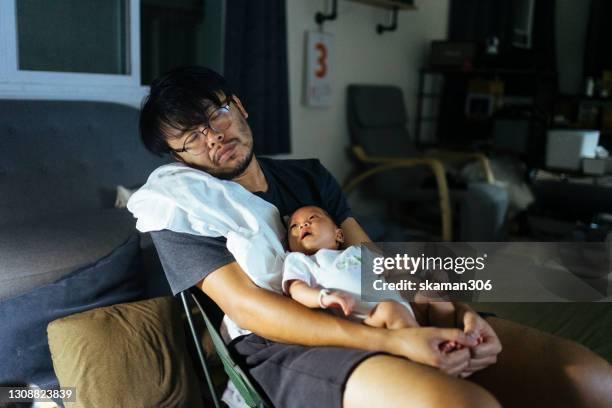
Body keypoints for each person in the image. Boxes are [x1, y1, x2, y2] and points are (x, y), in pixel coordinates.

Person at [139, 66, 612, 408]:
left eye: (215, 116)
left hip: (384, 305)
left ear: (238, 105)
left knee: (589, 380)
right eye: (191, 137)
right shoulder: (183, 208)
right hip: (282, 342)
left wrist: (457, 312)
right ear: (178, 157)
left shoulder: (308, 177)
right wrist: (395, 343)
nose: (212, 138)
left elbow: (370, 259)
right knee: (463, 404)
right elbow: (249, 309)